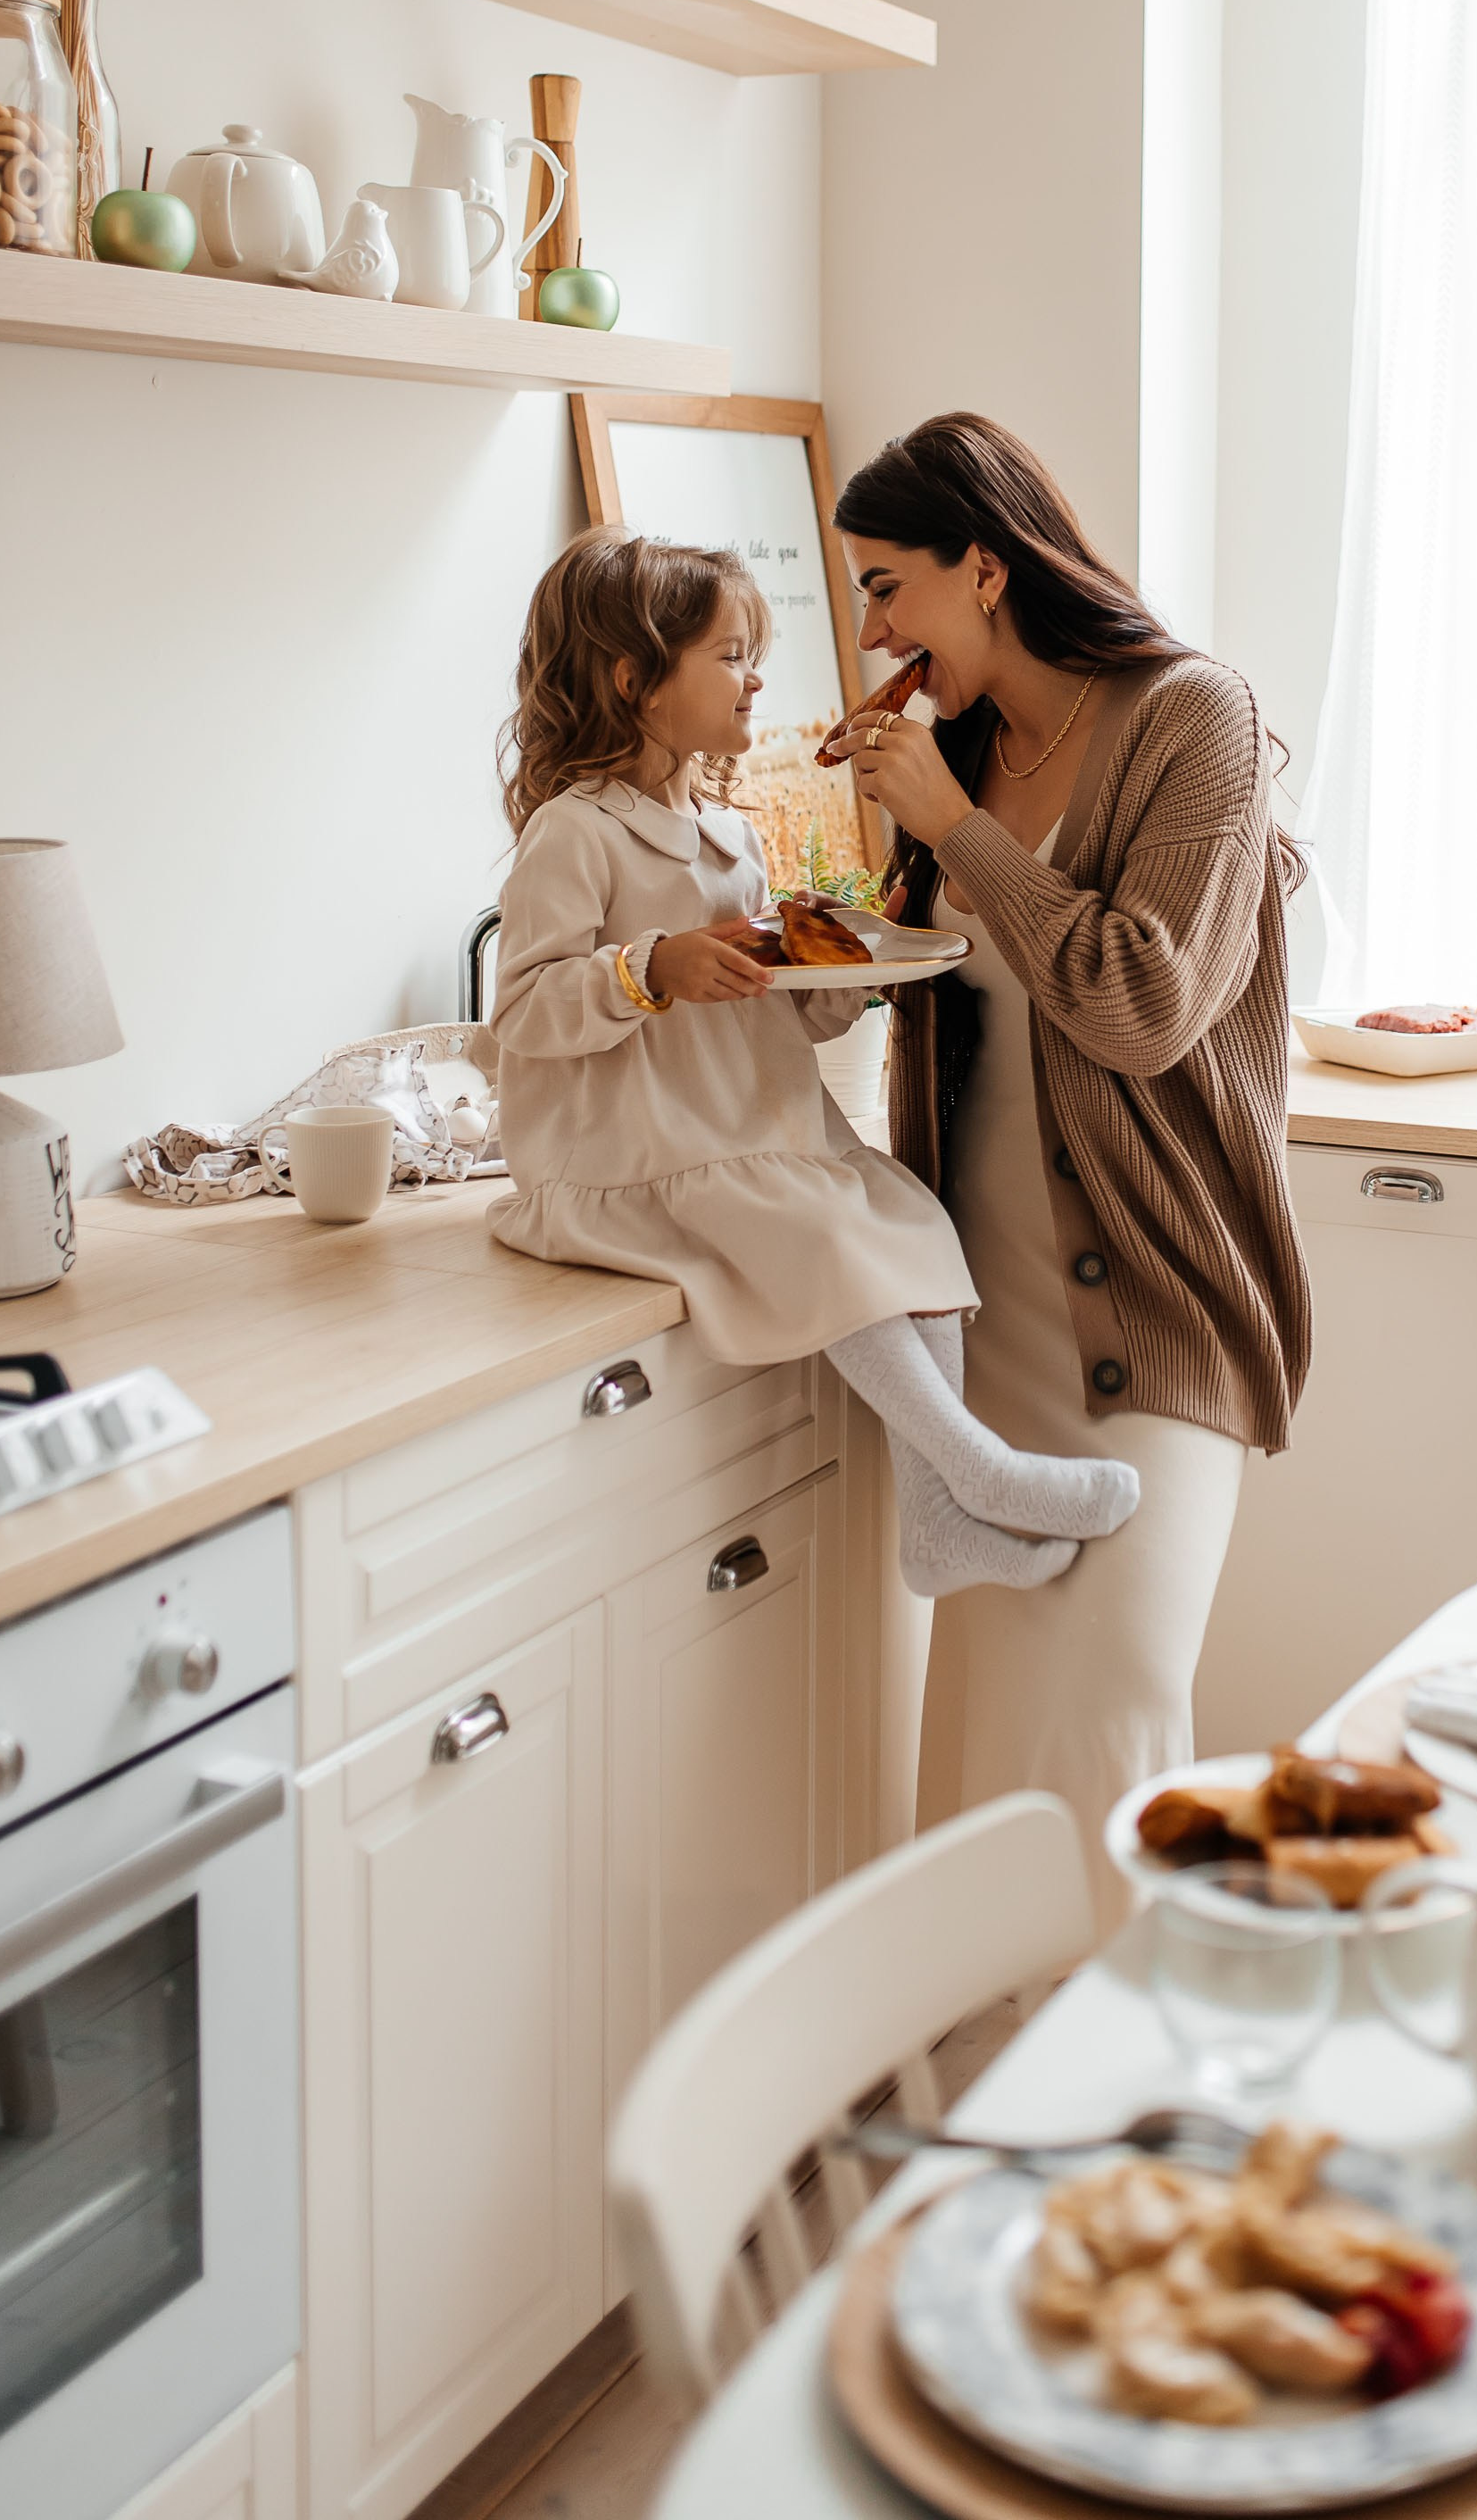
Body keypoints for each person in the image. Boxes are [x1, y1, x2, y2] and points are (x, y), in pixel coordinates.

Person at [828, 415, 1310, 1920]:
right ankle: (974, 2109)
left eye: (889, 586)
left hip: (1147, 1319)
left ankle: (1123, 2111)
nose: (872, 630)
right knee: (982, 1754)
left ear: (987, 569)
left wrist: (955, 830)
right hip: (984, 1328)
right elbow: (938, 986)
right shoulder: (958, 751)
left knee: (1109, 1733)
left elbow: (1139, 1003)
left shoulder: (1193, 719)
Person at [487, 528, 1141, 1592]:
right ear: (635, 682)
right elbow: (523, 1008)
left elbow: (767, 1014)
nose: (757, 679)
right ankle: (979, 1469)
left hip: (749, 1140)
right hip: (632, 1164)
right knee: (836, 1237)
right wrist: (652, 967)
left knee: (912, 1221)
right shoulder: (577, 833)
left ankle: (938, 1520)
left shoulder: (728, 838)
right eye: (730, 656)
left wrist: (847, 974)